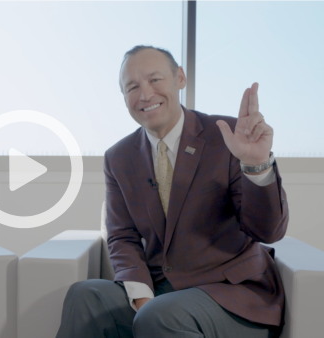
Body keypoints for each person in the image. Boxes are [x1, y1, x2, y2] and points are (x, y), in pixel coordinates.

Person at [56, 45, 289, 337]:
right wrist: (142, 299)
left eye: (155, 79)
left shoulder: (227, 136)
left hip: (233, 295)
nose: (145, 95)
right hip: (162, 295)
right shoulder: (118, 157)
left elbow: (268, 231)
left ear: (180, 78)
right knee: (85, 295)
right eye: (132, 86)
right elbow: (122, 237)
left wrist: (256, 165)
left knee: (161, 316)